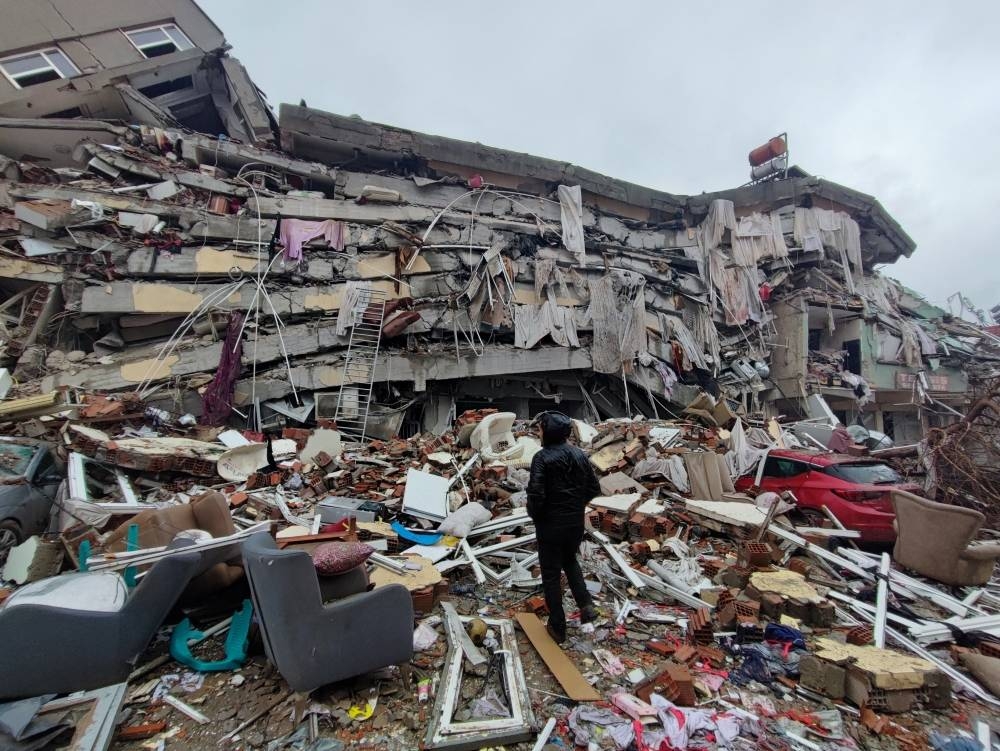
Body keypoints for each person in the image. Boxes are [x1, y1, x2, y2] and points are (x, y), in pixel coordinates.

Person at [526, 411, 600, 643]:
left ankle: (558, 625)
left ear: (549, 432)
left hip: (550, 525)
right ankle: (586, 605)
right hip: (574, 523)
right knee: (570, 561)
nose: (539, 433)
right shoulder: (579, 455)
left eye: (541, 429)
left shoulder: (542, 458)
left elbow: (536, 494)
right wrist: (576, 505)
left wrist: (535, 515)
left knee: (550, 574)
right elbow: (593, 488)